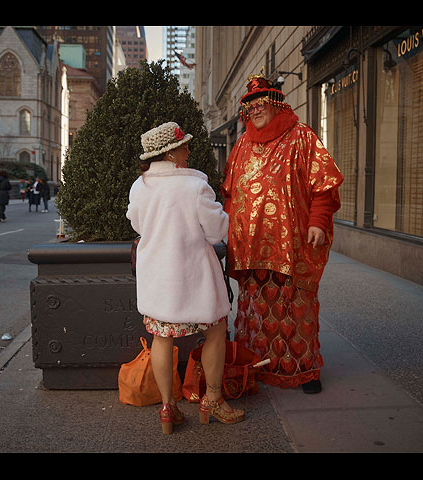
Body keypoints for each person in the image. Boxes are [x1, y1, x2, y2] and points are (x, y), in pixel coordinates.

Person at [221, 67, 344, 394]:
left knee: (295, 309)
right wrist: (227, 230)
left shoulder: (301, 136)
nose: (255, 108)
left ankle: (304, 370)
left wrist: (318, 220)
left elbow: (324, 186)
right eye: (250, 105)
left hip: (292, 247)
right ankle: (258, 365)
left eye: (261, 101)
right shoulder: (242, 144)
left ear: (275, 102)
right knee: (257, 311)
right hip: (250, 249)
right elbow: (231, 194)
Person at [126, 121, 244, 435]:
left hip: (158, 278)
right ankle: (213, 400)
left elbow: (137, 225)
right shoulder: (195, 187)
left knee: (162, 337)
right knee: (216, 331)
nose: (189, 149)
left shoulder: (140, 186)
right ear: (172, 152)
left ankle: (168, 408)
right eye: (185, 145)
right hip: (196, 277)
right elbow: (217, 230)